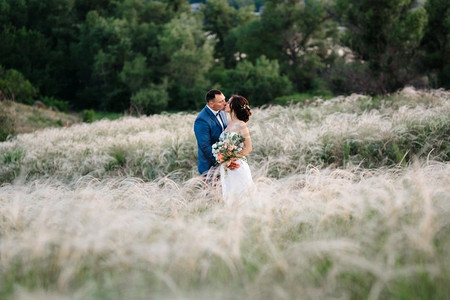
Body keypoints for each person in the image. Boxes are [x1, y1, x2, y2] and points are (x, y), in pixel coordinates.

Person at [194, 89, 238, 175]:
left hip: (225, 164)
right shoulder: (201, 120)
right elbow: (205, 146)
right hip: (210, 167)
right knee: (211, 188)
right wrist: (223, 161)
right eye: (220, 102)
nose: (225, 103)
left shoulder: (222, 111)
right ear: (211, 104)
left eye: (224, 100)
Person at [219, 95, 255, 201]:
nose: (226, 103)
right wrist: (223, 158)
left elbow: (248, 148)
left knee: (242, 197)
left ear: (234, 106)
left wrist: (230, 158)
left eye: (229, 102)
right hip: (226, 167)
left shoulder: (241, 125)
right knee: (229, 197)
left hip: (237, 165)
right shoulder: (228, 125)